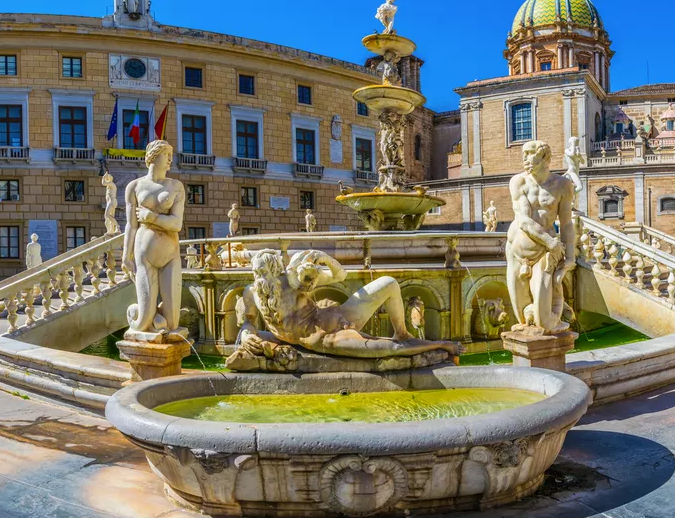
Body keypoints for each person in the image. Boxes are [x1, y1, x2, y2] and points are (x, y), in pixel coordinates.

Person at [236, 249, 461, 360]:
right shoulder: (251, 293)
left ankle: (403, 333)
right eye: (259, 272)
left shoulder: (293, 280)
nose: (262, 275)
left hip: (335, 318)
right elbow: (248, 323)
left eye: (266, 270)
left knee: (389, 283)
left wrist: (325, 259)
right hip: (324, 338)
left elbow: (340, 276)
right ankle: (440, 344)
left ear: (275, 268)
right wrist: (246, 335)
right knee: (391, 350)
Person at [506, 140, 576, 333]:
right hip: (517, 252)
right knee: (522, 318)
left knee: (544, 322)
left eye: (530, 154)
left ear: (545, 157)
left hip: (544, 253)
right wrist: (551, 242)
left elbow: (566, 223)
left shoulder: (563, 185)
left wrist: (570, 255)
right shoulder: (518, 182)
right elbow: (523, 220)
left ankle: (557, 312)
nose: (525, 158)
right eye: (524, 154)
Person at [123, 139, 185, 337]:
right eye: (166, 155)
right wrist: (126, 256)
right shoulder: (134, 187)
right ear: (153, 156)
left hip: (170, 254)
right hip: (144, 254)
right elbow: (131, 225)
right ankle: (151, 317)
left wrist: (151, 217)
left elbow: (177, 224)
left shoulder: (176, 186)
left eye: (170, 155)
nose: (170, 159)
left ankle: (158, 318)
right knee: (141, 322)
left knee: (173, 324)